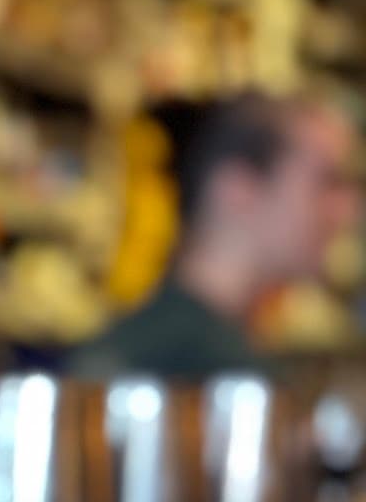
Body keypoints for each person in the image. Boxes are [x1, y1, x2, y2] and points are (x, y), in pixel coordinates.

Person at [74, 92, 360, 379]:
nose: (350, 210)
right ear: (238, 187)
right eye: (326, 182)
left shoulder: (148, 341)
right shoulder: (214, 371)